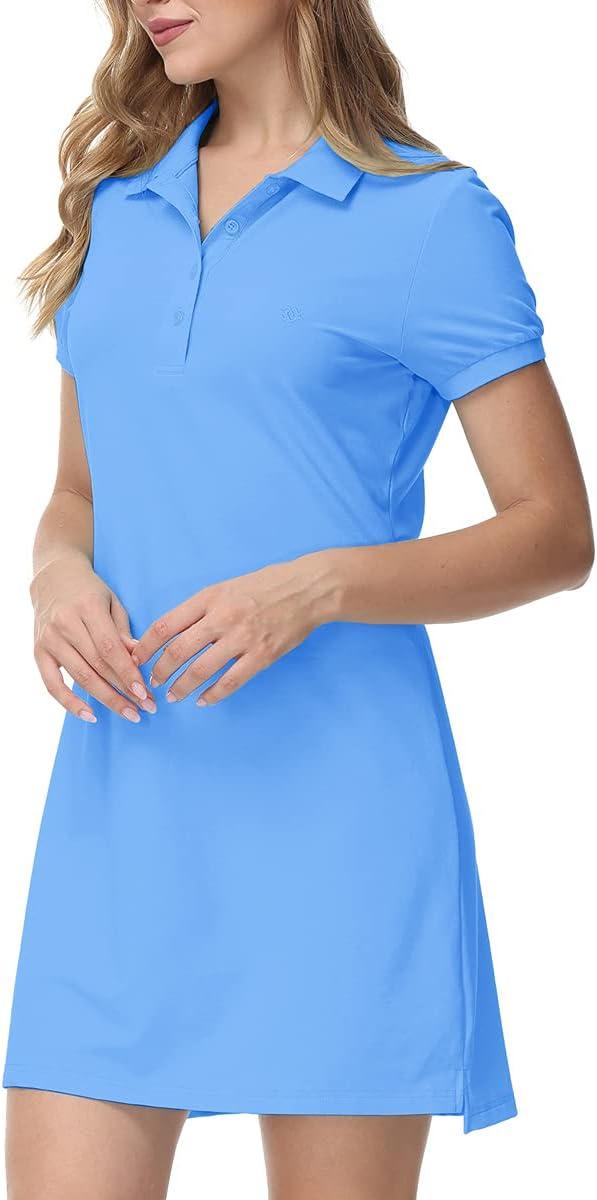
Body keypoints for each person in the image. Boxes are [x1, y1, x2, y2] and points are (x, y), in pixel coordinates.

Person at [3, 2, 593, 1198]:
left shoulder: (429, 216)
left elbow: (555, 531)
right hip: (125, 813)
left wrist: (321, 585)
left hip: (340, 830)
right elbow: (79, 491)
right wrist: (56, 576)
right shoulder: (118, 208)